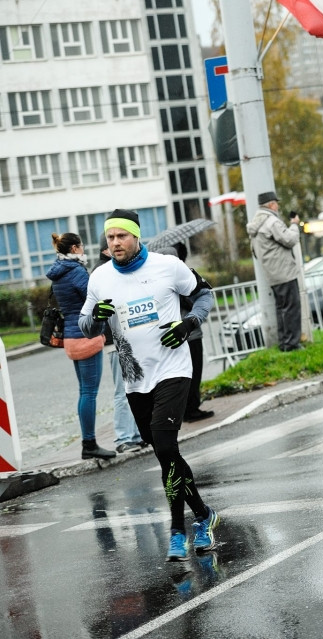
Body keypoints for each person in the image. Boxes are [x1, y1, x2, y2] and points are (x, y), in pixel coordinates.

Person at [80, 209, 220, 561]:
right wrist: (94, 321)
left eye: (121, 236)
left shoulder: (166, 266)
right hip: (135, 379)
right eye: (110, 238)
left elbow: (205, 294)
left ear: (136, 236)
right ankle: (203, 514)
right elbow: (86, 325)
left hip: (173, 370)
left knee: (165, 444)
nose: (115, 243)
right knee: (164, 452)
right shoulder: (99, 277)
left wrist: (189, 324)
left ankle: (177, 531)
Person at [46, 233, 115, 460]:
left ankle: (88, 441)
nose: (84, 249)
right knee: (89, 393)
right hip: (86, 336)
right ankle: (89, 443)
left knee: (84, 391)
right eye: (82, 246)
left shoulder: (59, 272)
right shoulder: (75, 272)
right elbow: (93, 298)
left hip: (71, 337)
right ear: (75, 248)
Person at [96, 234, 145, 453]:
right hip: (115, 342)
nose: (117, 245)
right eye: (112, 241)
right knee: (123, 390)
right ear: (105, 249)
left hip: (122, 340)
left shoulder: (116, 271)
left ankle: (135, 435)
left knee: (133, 386)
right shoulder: (104, 274)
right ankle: (124, 438)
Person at [161, 243, 215, 423]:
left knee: (180, 376)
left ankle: (184, 410)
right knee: (193, 372)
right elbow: (197, 300)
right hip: (190, 334)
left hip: (173, 334)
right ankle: (191, 410)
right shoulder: (181, 276)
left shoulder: (158, 279)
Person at [246, 191, 303, 352]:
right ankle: (292, 344)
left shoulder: (255, 224)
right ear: (271, 204)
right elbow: (290, 240)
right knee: (292, 308)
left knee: (281, 310)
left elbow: (255, 252)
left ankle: (285, 343)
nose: (277, 206)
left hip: (272, 274)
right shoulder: (271, 222)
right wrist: (294, 225)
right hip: (285, 272)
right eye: (276, 203)